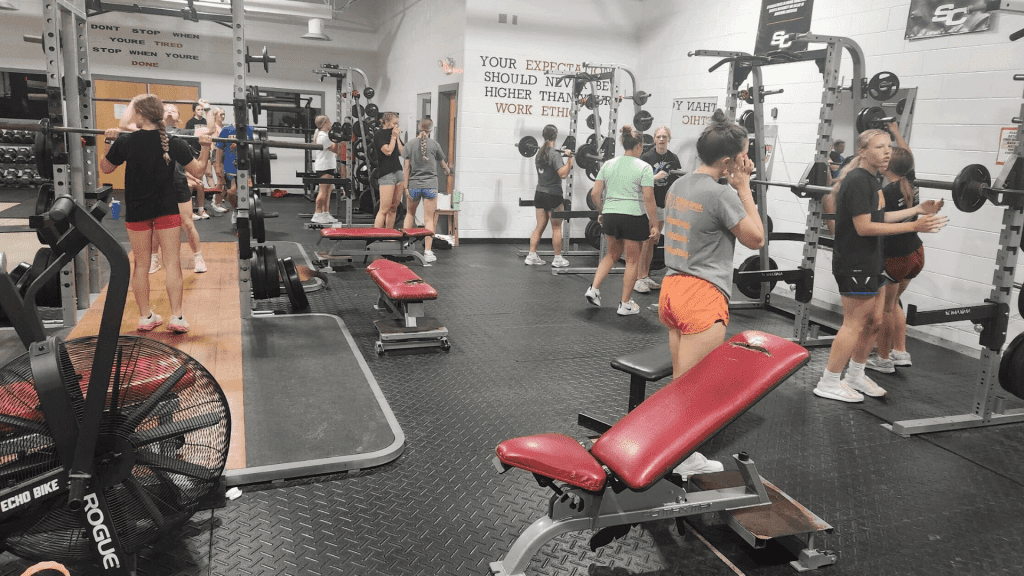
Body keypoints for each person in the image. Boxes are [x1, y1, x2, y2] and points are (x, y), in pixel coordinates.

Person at [657, 109, 763, 479]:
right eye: (744, 155)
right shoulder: (721, 194)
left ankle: (672, 449)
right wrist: (744, 187)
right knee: (695, 389)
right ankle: (682, 459)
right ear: (728, 161)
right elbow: (757, 238)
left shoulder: (678, 184)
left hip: (671, 290)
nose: (747, 162)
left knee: (680, 383)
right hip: (702, 295)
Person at [815, 129, 947, 403]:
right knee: (853, 324)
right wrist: (914, 226)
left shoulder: (872, 180)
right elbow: (863, 227)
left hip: (873, 261)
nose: (886, 151)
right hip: (855, 262)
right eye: (879, 147)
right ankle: (828, 381)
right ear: (863, 151)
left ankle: (855, 374)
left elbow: (881, 217)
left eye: (888, 146)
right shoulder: (858, 181)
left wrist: (916, 210)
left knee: (875, 322)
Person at [100, 93, 212, 333]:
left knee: (141, 265)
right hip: (166, 210)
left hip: (137, 211)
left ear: (140, 115)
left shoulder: (126, 141)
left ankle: (145, 317)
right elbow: (200, 172)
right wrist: (205, 147)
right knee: (171, 263)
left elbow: (106, 169)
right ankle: (177, 317)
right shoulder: (172, 142)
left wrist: (110, 141)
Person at [866, 123, 930, 373]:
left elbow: (872, 223)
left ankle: (882, 360)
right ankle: (900, 353)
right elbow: (908, 157)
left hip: (896, 257)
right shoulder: (910, 183)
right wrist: (896, 134)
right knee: (895, 305)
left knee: (886, 309)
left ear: (886, 166)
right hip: (916, 254)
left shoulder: (885, 193)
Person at [584, 125, 658, 316]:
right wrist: (655, 224)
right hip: (633, 217)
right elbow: (649, 198)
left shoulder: (608, 164)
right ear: (639, 146)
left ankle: (594, 289)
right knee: (632, 261)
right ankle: (625, 304)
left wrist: (603, 211)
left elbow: (595, 194)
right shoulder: (644, 167)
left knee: (611, 254)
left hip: (610, 216)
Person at [143, 104, 208, 275]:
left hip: (177, 182)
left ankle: (198, 257)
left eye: (174, 109)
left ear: (179, 117)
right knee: (156, 225)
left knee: (187, 223)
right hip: (156, 185)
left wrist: (209, 114)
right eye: (166, 109)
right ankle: (154, 260)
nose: (170, 110)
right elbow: (127, 126)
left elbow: (205, 132)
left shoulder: (182, 134)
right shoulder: (150, 133)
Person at [636, 126, 681, 292]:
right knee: (646, 241)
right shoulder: (646, 157)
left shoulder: (674, 158)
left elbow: (677, 181)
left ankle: (645, 276)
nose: (661, 140)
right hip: (648, 204)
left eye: (664, 137)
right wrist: (655, 177)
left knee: (654, 241)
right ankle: (638, 279)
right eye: (659, 137)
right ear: (654, 139)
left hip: (663, 203)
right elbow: (638, 181)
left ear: (669, 139)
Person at [403, 118, 452, 263]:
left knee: (410, 214)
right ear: (431, 129)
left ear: (419, 127)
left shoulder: (409, 145)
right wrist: (448, 171)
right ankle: (428, 252)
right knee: (429, 219)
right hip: (430, 185)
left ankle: (405, 247)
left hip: (414, 185)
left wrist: (405, 187)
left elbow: (406, 168)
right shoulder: (435, 145)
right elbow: (443, 165)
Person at [524, 124, 573, 267]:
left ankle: (531, 255)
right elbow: (563, 174)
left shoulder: (539, 152)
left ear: (543, 135)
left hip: (539, 194)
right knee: (556, 228)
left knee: (539, 226)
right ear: (555, 136)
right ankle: (558, 259)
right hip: (553, 195)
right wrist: (570, 159)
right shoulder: (554, 154)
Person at [215, 119, 255, 228]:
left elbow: (256, 150)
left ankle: (244, 213)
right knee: (231, 192)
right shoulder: (226, 130)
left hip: (246, 167)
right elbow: (219, 149)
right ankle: (236, 210)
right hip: (230, 166)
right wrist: (218, 166)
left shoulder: (251, 130)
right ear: (234, 113)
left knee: (246, 193)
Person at [311, 115, 346, 224]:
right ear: (325, 123)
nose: (331, 122)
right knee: (323, 191)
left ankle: (325, 213)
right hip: (324, 167)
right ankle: (317, 214)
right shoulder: (323, 136)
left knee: (328, 191)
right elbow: (336, 151)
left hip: (329, 166)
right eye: (329, 121)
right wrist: (337, 139)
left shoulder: (325, 134)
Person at [373, 112, 405, 229]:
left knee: (394, 207)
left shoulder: (394, 134)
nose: (396, 126)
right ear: (386, 122)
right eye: (394, 123)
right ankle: (375, 237)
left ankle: (389, 235)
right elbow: (388, 151)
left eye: (397, 123)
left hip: (398, 172)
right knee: (384, 209)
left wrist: (396, 138)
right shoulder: (379, 134)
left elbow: (403, 152)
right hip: (386, 174)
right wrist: (393, 137)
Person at [205, 107, 229, 213]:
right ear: (215, 115)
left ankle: (219, 201)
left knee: (223, 179)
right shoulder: (214, 127)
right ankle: (215, 203)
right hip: (216, 153)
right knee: (220, 178)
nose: (223, 116)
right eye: (220, 114)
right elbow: (213, 143)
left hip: (224, 153)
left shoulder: (223, 127)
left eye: (224, 114)